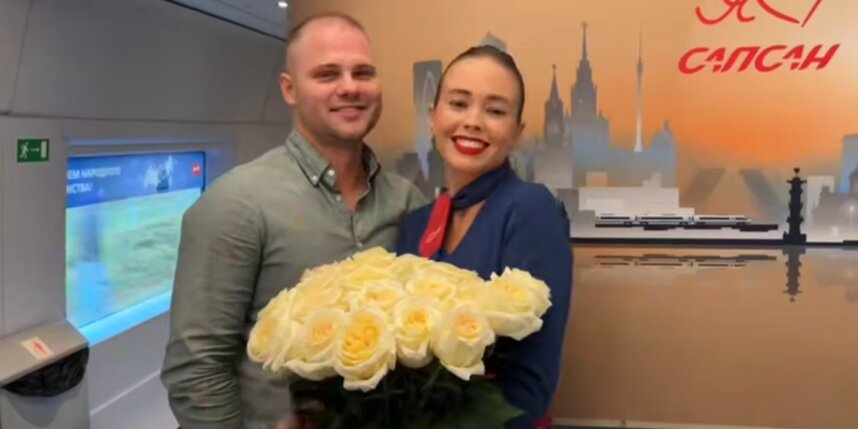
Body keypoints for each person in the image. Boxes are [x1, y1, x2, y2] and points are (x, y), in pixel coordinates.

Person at [161, 12, 426, 429]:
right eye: (327, 74)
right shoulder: (236, 204)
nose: (350, 87)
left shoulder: (407, 202)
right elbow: (197, 369)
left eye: (362, 72)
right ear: (289, 89)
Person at [395, 45, 573, 429]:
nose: (473, 121)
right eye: (459, 104)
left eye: (495, 111)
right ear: (433, 117)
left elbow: (530, 386)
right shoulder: (416, 224)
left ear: (517, 133)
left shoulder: (530, 209)